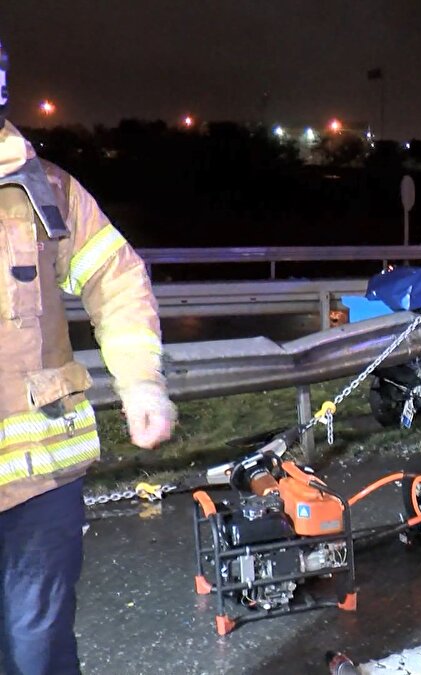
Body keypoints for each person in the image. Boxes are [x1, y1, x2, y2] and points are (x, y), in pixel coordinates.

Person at [0, 39, 175, 674]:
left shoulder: (47, 190)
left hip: (38, 482)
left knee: (37, 651)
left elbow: (115, 279)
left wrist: (142, 383)